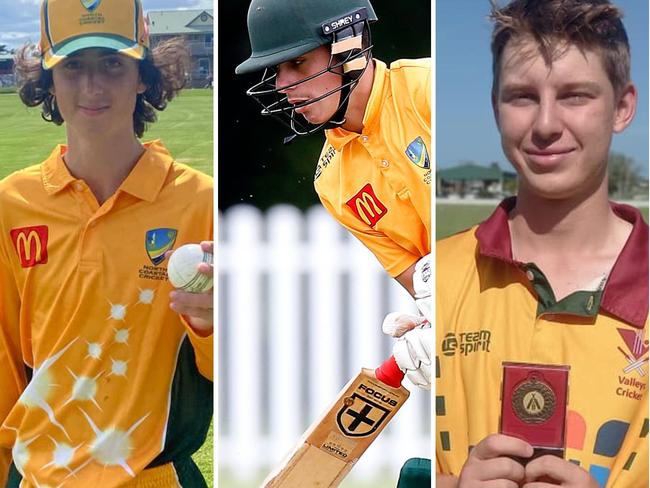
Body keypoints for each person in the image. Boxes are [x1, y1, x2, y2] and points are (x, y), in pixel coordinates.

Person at [0, 0, 213, 486]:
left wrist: (210, 325)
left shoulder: (200, 202)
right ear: (49, 80)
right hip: (36, 476)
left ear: (143, 75)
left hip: (153, 477)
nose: (92, 87)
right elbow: (5, 359)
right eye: (73, 67)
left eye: (113, 64)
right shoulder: (12, 203)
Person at [436, 1, 647, 487]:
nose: (546, 124)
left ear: (622, 107)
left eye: (575, 96)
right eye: (522, 96)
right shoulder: (437, 280)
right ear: (494, 106)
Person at [236, 0, 432, 484]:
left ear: (348, 46)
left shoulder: (431, 89)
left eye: (297, 63)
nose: (282, 85)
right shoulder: (334, 183)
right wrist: (437, 321)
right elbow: (422, 281)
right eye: (275, 70)